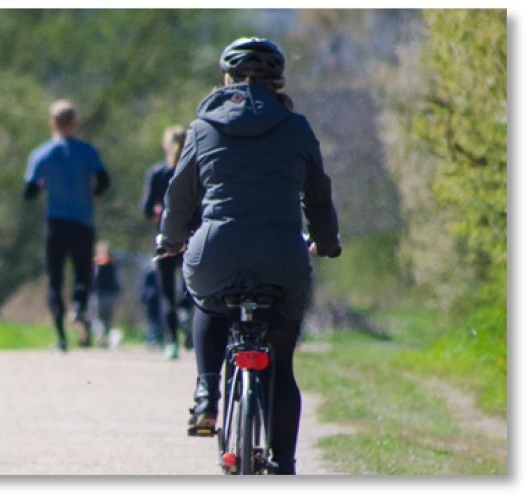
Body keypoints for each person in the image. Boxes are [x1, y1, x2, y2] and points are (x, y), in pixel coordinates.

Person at [159, 38, 341, 475]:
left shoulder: (202, 128)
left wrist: (168, 239)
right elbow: (318, 195)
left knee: (207, 300)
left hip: (217, 253)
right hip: (281, 257)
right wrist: (327, 240)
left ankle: (206, 394)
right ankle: (285, 463)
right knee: (282, 365)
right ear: (278, 81)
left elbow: (179, 196)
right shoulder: (297, 127)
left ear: (227, 80)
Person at [24, 100, 111, 353]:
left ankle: (61, 338)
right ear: (74, 123)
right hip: (82, 222)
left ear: (52, 122)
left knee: (55, 280)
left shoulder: (41, 154)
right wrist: (92, 193)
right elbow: (104, 181)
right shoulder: (87, 151)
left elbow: (28, 192)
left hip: (55, 223)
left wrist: (44, 184)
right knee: (83, 274)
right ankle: (78, 306)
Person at [141, 126, 201, 360]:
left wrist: (159, 211)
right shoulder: (195, 172)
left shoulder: (157, 174)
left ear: (166, 145)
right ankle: (186, 311)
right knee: (191, 284)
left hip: (165, 238)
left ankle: (172, 341)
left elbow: (147, 208)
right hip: (192, 236)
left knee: (166, 290)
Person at [91, 242, 122, 348]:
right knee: (107, 319)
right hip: (110, 295)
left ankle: (103, 337)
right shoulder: (113, 265)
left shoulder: (96, 264)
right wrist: (119, 292)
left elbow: (93, 280)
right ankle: (106, 338)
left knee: (98, 318)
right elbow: (117, 280)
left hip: (99, 294)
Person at [138, 263, 164, 350]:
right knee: (154, 321)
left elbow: (142, 289)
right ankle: (154, 340)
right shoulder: (153, 273)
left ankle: (153, 341)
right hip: (153, 301)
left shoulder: (149, 273)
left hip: (154, 301)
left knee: (153, 322)